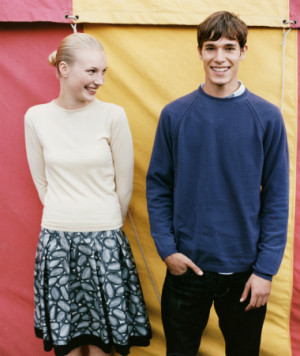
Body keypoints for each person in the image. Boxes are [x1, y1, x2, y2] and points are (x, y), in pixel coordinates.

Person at [146, 11, 289, 356]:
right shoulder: (175, 115)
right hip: (186, 269)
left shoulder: (267, 117)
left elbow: (277, 198)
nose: (220, 57)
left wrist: (266, 271)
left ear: (243, 51)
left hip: (245, 274)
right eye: (211, 48)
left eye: (229, 47)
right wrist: (167, 249)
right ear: (199, 52)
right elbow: (158, 185)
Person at [25, 33, 151, 356]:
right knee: (68, 345)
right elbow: (42, 183)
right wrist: (66, 215)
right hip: (57, 243)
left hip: (104, 243)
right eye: (92, 71)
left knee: (100, 345)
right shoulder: (36, 118)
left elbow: (124, 188)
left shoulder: (113, 116)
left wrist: (101, 222)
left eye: (104, 71)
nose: (100, 80)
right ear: (64, 69)